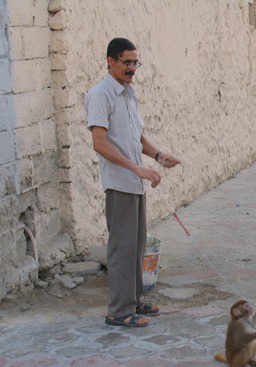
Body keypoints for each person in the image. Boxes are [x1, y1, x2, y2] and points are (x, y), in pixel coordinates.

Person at [86, 38, 180, 328]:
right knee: (122, 248)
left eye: (135, 62)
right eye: (127, 62)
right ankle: (118, 311)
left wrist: (157, 155)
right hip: (119, 183)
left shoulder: (129, 93)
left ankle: (133, 301)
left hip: (135, 182)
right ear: (110, 61)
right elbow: (100, 144)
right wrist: (137, 169)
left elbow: (135, 136)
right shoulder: (100, 95)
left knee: (136, 246)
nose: (132, 68)